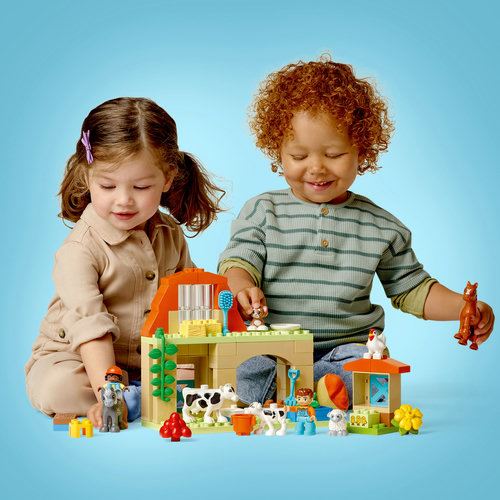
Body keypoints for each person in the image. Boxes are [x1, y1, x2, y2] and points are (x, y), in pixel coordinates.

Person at [218, 56, 495, 404]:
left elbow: (412, 288)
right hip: (273, 347)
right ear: (278, 151)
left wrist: (464, 307)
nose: (316, 168)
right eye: (299, 156)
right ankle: (303, 391)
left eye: (334, 154)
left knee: (370, 369)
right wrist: (242, 287)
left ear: (361, 150)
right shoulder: (263, 211)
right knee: (239, 370)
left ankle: (313, 389)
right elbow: (238, 261)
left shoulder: (381, 226)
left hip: (344, 350)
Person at [26, 97, 224, 426]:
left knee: (212, 374)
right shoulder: (79, 250)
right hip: (76, 356)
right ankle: (127, 397)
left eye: (141, 186)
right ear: (87, 175)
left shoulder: (169, 234)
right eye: (107, 185)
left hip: (148, 360)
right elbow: (91, 329)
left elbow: (186, 301)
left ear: (168, 178)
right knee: (56, 388)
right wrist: (108, 391)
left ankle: (142, 394)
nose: (124, 200)